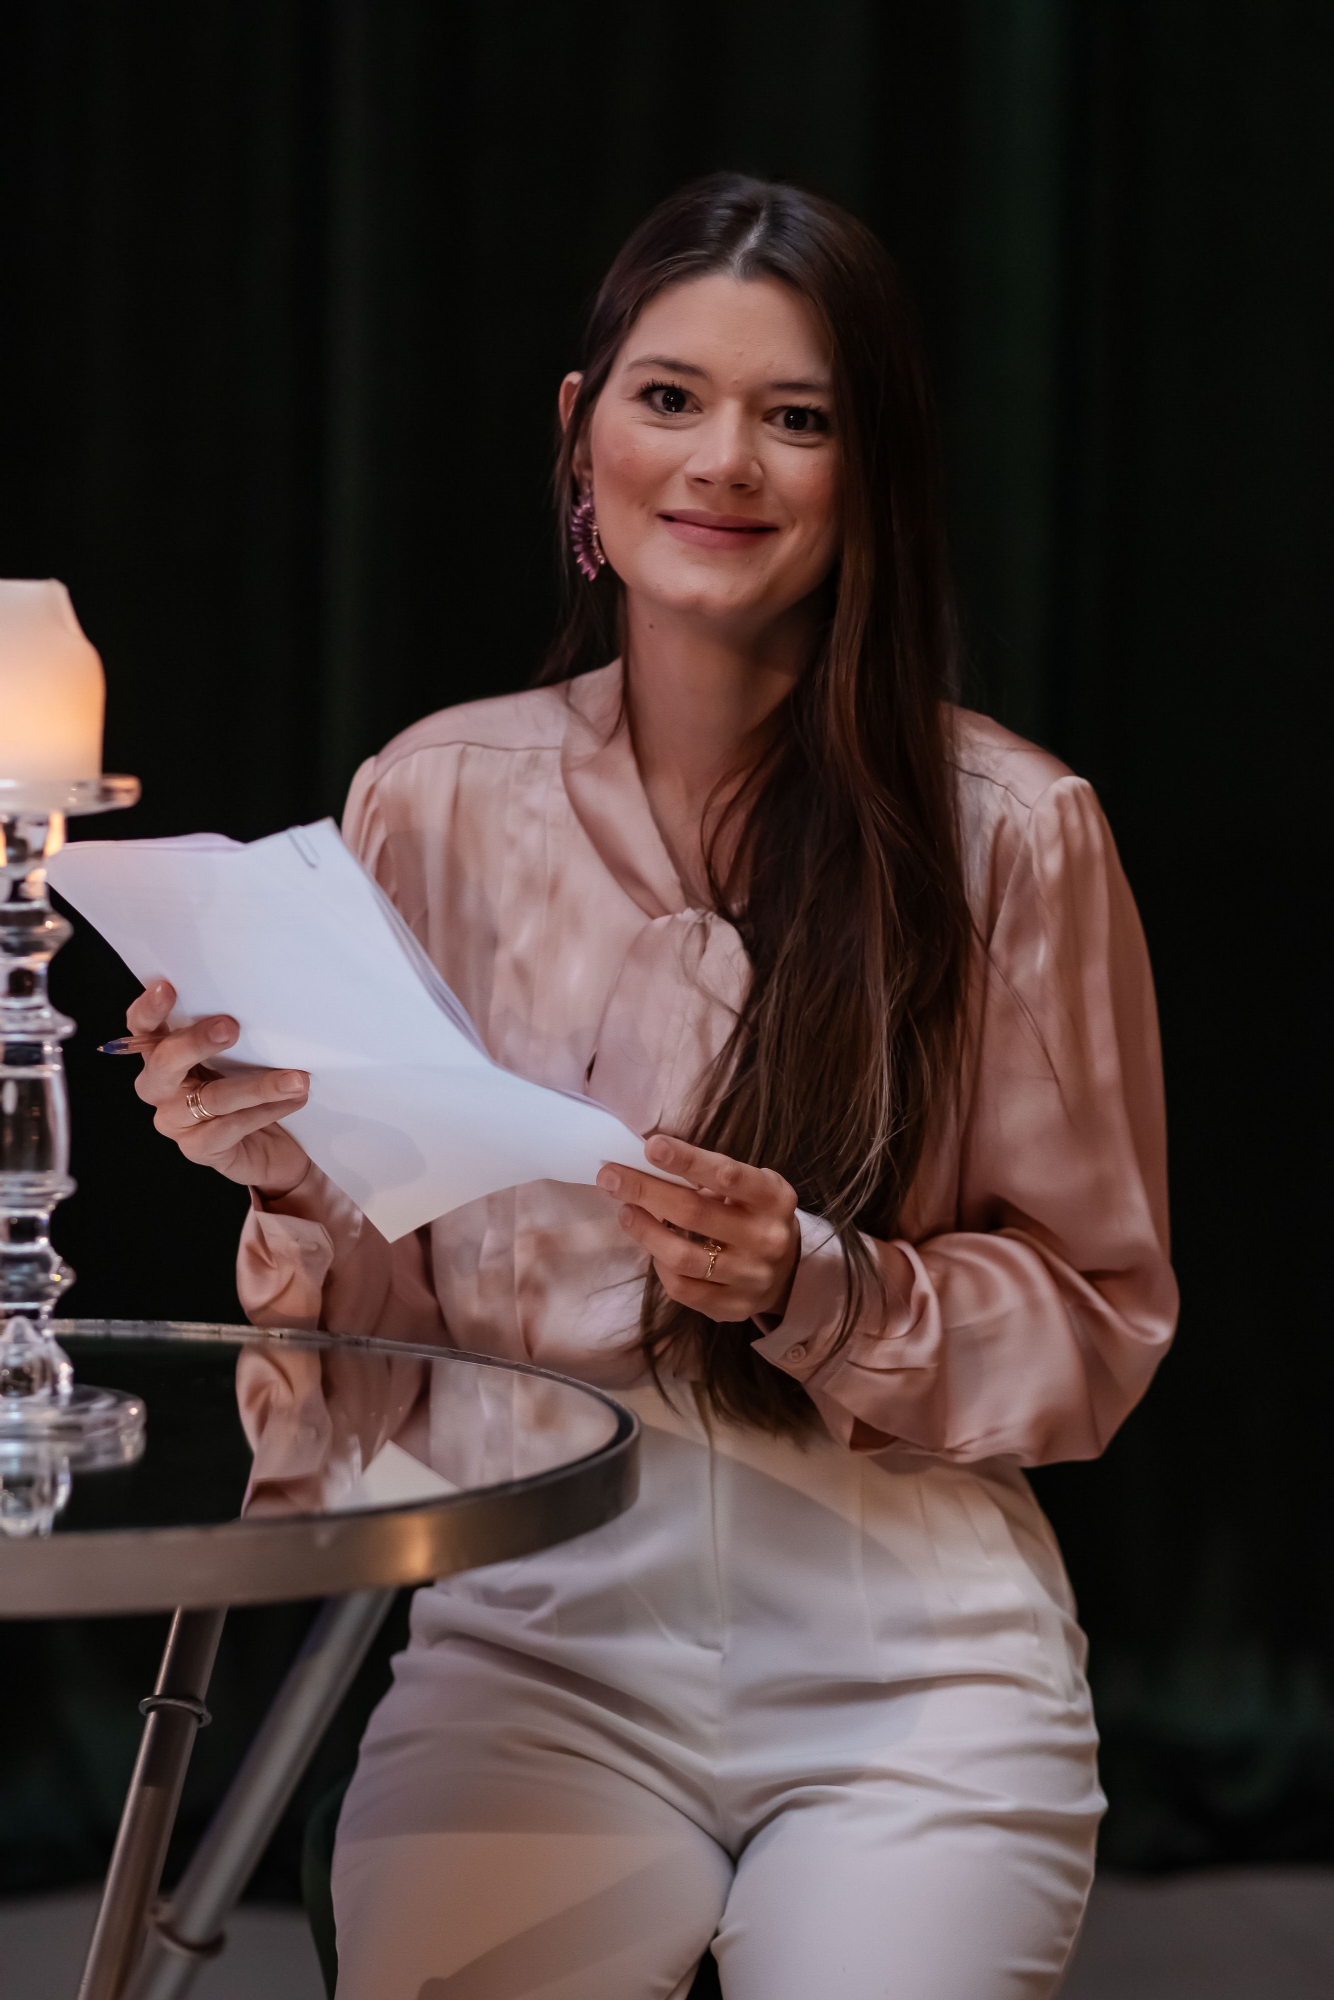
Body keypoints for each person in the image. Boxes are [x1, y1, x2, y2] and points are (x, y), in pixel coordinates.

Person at [127, 174, 1177, 1999]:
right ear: (580, 430)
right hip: (531, 1647)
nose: (722, 464)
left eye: (799, 419)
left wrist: (812, 1281)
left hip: (914, 1667)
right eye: (670, 397)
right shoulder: (433, 798)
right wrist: (293, 1182)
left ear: (872, 468)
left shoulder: (1010, 829)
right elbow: (380, 1381)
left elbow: (1094, 1324)